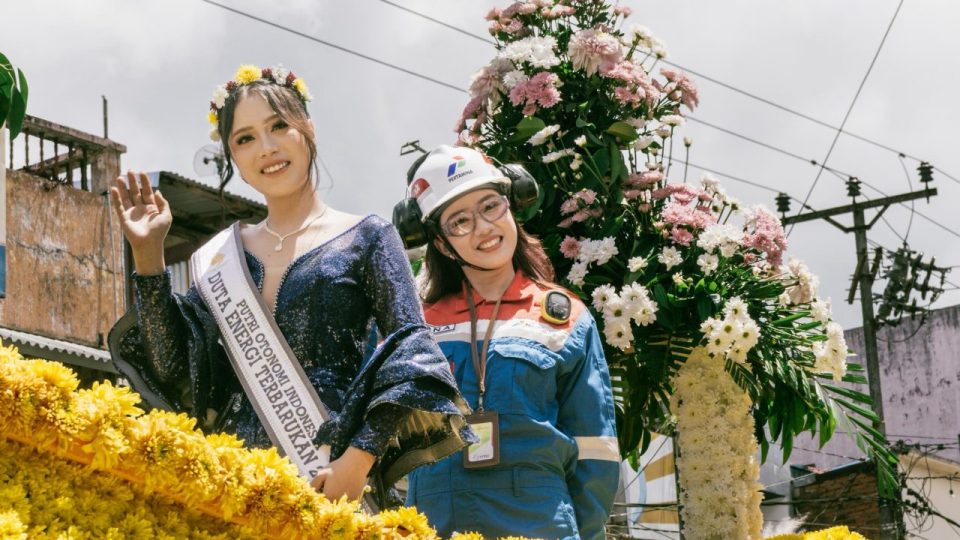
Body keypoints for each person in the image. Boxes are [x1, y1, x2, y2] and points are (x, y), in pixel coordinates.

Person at [107, 65, 473, 503]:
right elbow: (173, 368)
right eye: (245, 138)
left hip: (329, 473)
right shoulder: (219, 259)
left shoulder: (368, 237)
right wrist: (149, 256)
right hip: (234, 479)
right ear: (233, 159)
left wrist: (359, 459)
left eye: (279, 126)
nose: (266, 147)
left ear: (308, 129)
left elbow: (412, 353)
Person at [394, 145, 620, 540]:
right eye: (460, 221)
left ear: (512, 206)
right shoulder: (414, 323)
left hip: (541, 525)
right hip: (434, 526)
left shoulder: (566, 316)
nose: (483, 227)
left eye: (491, 206)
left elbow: (595, 449)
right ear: (443, 244)